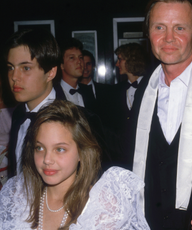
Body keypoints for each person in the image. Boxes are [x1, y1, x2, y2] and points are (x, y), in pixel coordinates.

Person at [117, 0, 192, 229]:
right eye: (159, 27)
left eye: (180, 27)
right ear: (148, 33)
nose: (168, 38)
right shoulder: (142, 92)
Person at [0, 100, 150, 230]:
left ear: (81, 152)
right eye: (40, 148)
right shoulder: (17, 196)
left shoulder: (102, 207)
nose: (47, 159)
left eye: (60, 149)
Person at [4, 28, 66, 177]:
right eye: (10, 68)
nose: (14, 77)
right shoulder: (19, 114)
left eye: (25, 68)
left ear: (50, 72)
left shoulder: (75, 119)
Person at [59, 39, 96, 111]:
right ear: (62, 65)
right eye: (72, 58)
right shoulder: (53, 93)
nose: (79, 61)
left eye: (80, 57)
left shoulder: (88, 91)